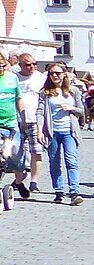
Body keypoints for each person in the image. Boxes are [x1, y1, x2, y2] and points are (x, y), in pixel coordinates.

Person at [39, 64, 84, 205]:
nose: (55, 76)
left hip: (69, 131)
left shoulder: (73, 91)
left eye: (58, 73)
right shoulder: (45, 92)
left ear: (64, 74)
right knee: (54, 162)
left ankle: (74, 192)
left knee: (71, 161)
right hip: (52, 131)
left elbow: (82, 110)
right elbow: (40, 112)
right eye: (52, 73)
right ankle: (59, 191)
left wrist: (71, 108)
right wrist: (40, 130)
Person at [15, 54, 45, 196]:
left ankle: (34, 181)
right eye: (28, 64)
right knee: (16, 153)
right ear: (20, 65)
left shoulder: (40, 78)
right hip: (16, 120)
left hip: (35, 120)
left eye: (34, 63)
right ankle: (19, 179)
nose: (32, 66)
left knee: (36, 151)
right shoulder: (14, 78)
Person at [0, 59, 22, 200]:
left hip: (11, 125)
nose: (1, 69)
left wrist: (23, 117)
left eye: (2, 66)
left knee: (14, 157)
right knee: (1, 156)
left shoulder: (12, 78)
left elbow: (18, 98)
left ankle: (18, 181)